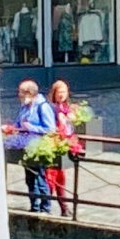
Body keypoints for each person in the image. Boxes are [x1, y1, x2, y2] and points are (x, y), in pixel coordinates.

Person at [7, 79, 58, 213]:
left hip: (39, 146)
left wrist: (32, 128)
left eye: (21, 92)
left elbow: (50, 129)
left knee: (40, 177)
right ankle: (34, 206)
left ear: (30, 93)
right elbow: (18, 124)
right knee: (29, 178)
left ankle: (45, 208)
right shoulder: (25, 106)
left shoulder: (43, 106)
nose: (19, 95)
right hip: (26, 145)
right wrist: (12, 128)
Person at [47, 80, 82, 216]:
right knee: (50, 176)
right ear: (54, 93)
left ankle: (64, 206)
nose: (61, 95)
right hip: (53, 144)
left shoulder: (68, 107)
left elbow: (73, 126)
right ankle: (47, 205)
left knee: (60, 176)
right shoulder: (50, 108)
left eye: (64, 92)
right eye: (59, 92)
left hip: (64, 145)